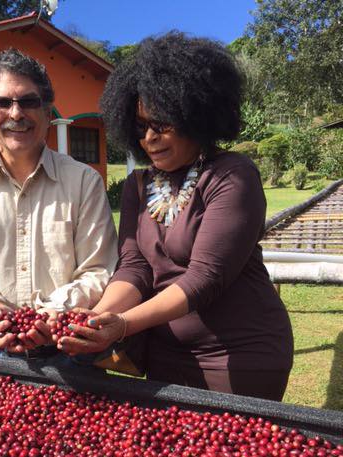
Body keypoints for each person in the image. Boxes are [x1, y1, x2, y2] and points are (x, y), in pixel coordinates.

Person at [58, 32, 294, 401]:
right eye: (140, 127)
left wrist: (121, 326)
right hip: (164, 358)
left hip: (239, 357)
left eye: (162, 123)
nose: (150, 137)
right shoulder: (139, 185)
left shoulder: (232, 175)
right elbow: (134, 267)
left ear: (195, 114)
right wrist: (92, 320)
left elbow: (205, 278)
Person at [0, 48, 117, 360]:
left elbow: (99, 268)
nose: (16, 113)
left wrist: (54, 312)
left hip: (73, 349)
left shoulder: (84, 181)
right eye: (2, 102)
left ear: (48, 113)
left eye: (29, 101)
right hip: (0, 351)